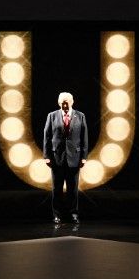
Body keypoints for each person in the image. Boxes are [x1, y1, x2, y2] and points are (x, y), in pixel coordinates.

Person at [42, 92, 88, 225]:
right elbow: (47, 136)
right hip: (57, 159)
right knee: (57, 189)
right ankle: (57, 215)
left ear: (72, 102)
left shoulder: (80, 116)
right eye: (63, 103)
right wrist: (46, 156)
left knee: (73, 189)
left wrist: (84, 157)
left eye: (67, 103)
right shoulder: (52, 116)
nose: (65, 106)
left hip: (74, 158)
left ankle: (73, 214)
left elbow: (84, 137)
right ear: (59, 103)